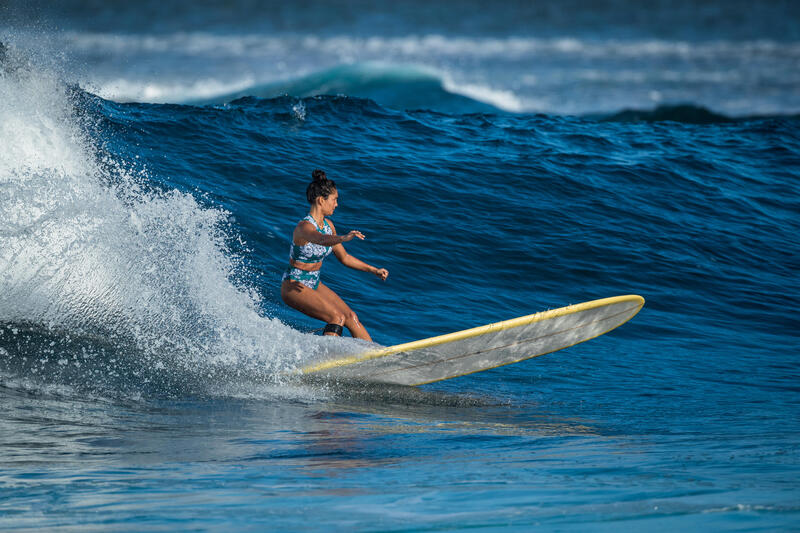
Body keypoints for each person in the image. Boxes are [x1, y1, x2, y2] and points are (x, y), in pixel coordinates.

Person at [281, 170, 388, 341]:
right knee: (335, 317)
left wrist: (373, 270)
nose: (337, 204)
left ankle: (375, 359)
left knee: (351, 317)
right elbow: (320, 239)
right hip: (294, 285)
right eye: (334, 199)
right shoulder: (304, 227)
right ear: (321, 200)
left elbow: (344, 258)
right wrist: (343, 238)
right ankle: (326, 363)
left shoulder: (329, 225)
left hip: (314, 282)